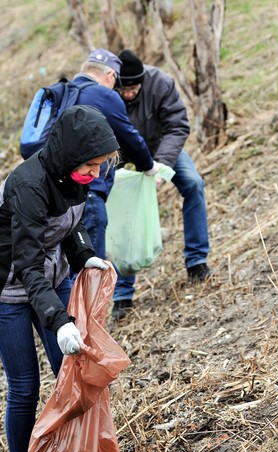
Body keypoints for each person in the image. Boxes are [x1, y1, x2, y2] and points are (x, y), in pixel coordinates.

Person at [0, 105, 120, 452]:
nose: (94, 173)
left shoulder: (77, 175)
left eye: (100, 166)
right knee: (25, 386)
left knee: (70, 372)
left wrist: (84, 254)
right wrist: (59, 319)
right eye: (90, 165)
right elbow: (26, 263)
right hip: (6, 290)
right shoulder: (28, 185)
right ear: (70, 155)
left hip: (49, 279)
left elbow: (72, 225)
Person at [112, 49, 212, 320]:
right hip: (118, 152)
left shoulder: (160, 82)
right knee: (117, 206)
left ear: (142, 81)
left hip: (159, 148)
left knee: (193, 183)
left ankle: (197, 261)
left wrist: (160, 166)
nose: (129, 94)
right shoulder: (107, 88)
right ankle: (122, 293)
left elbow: (177, 126)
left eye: (133, 89)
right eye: (124, 89)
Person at [71, 49, 159, 282]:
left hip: (56, 199)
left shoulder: (65, 93)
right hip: (89, 194)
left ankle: (66, 317)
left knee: (67, 271)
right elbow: (129, 135)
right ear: (109, 74)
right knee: (92, 272)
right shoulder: (103, 95)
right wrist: (148, 165)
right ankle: (88, 318)